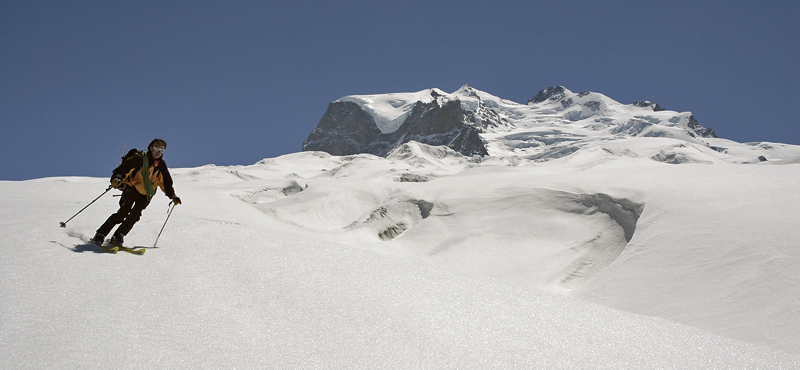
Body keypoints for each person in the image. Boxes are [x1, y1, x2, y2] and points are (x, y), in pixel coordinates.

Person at [91, 139, 181, 246]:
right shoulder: (139, 159)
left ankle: (119, 235)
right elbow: (123, 170)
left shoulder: (160, 165)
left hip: (147, 194)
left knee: (135, 215)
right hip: (132, 189)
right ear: (151, 148)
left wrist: (173, 196)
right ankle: (101, 234)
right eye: (157, 148)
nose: (159, 152)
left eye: (162, 150)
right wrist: (116, 179)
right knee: (122, 213)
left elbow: (166, 183)